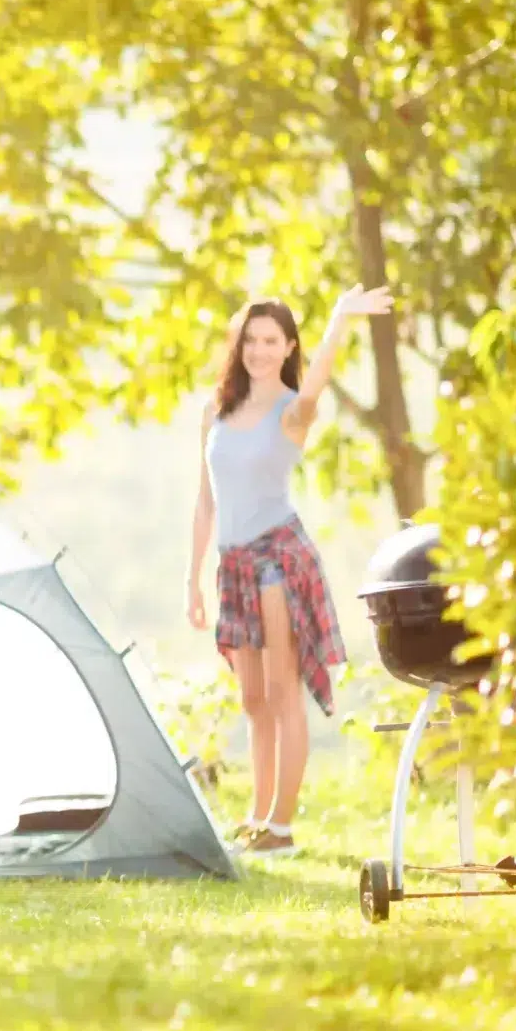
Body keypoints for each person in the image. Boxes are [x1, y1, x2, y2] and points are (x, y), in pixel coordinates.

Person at [186, 285, 392, 859]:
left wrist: (339, 320)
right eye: (250, 339)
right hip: (233, 566)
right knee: (252, 698)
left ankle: (281, 827)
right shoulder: (216, 413)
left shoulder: (293, 411)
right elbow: (205, 501)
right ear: (239, 344)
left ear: (288, 348)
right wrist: (193, 580)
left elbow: (320, 377)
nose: (258, 349)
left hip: (278, 559)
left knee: (282, 692)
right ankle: (257, 817)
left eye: (270, 341)